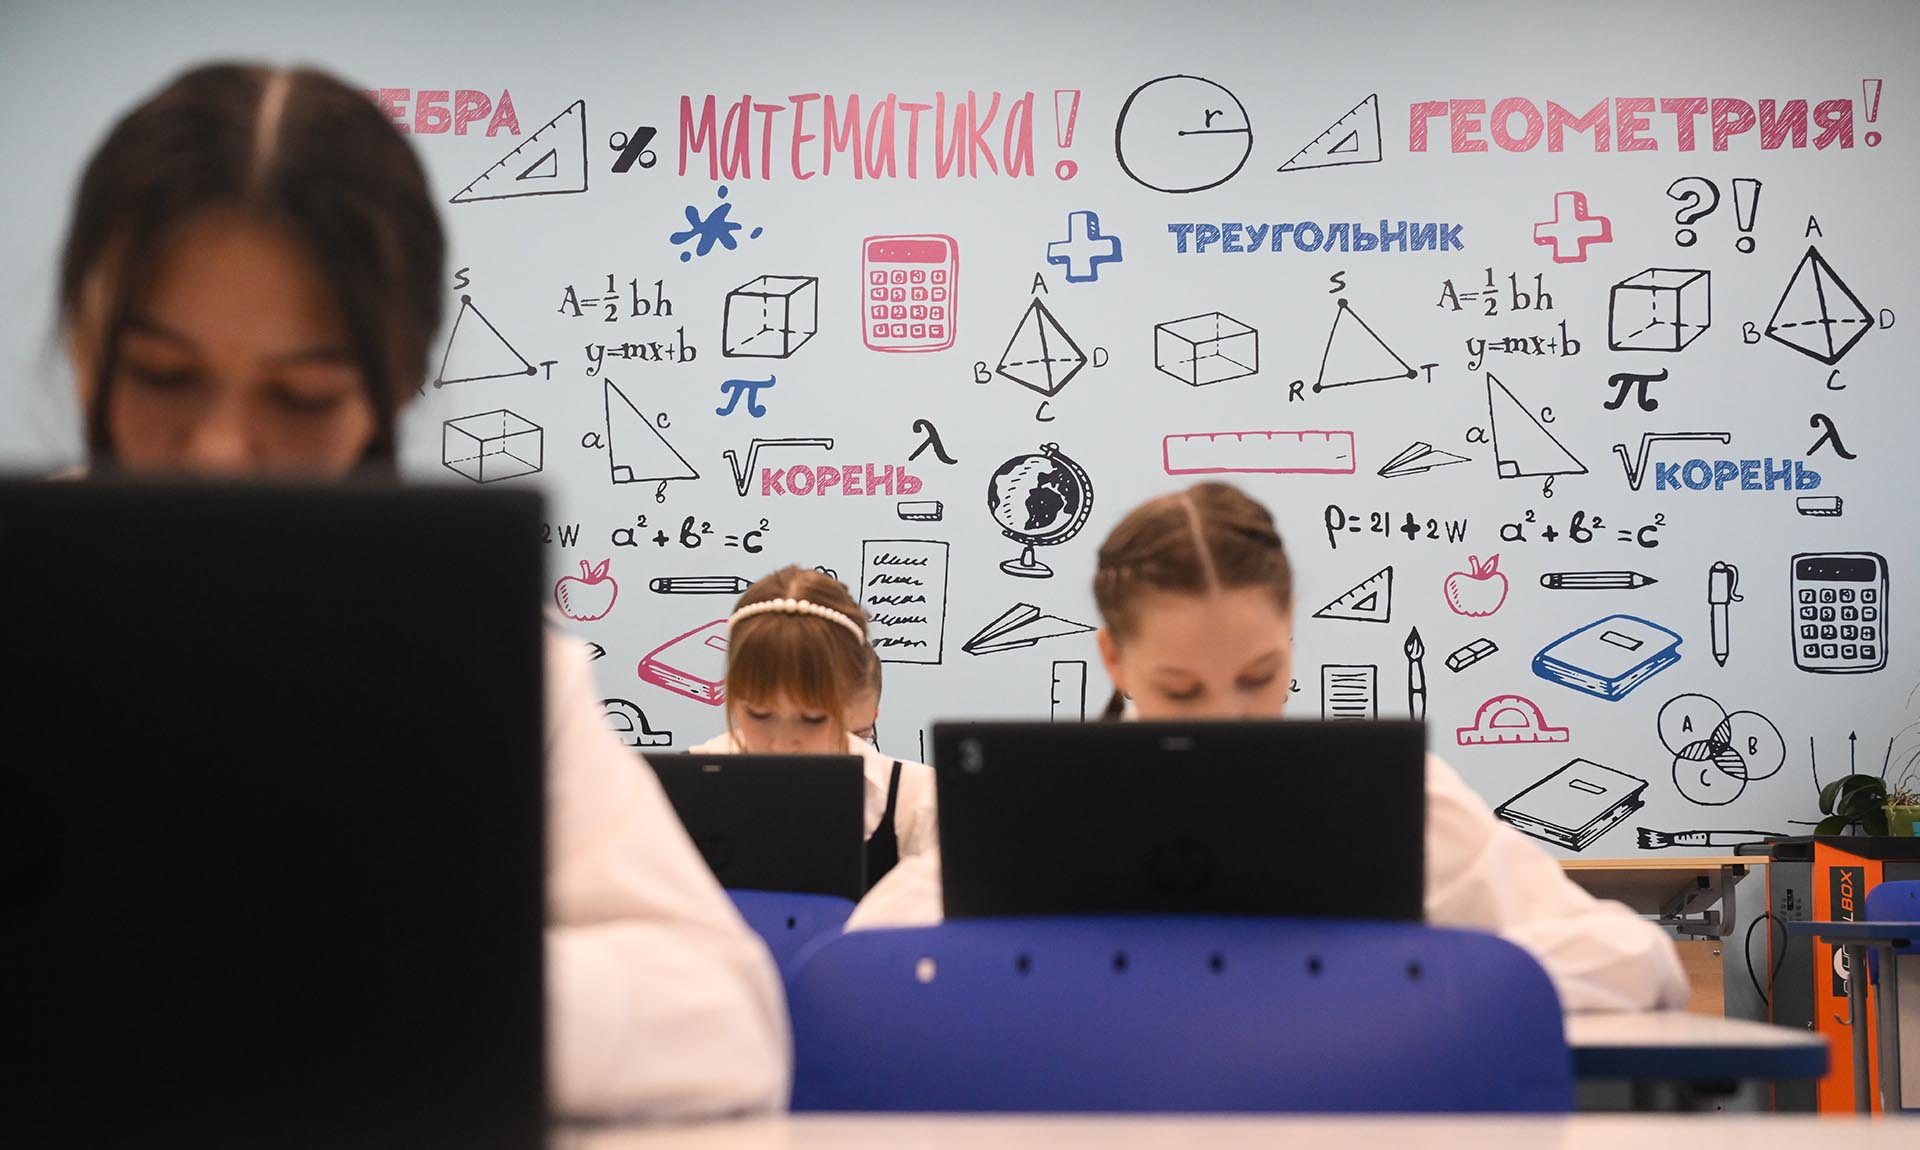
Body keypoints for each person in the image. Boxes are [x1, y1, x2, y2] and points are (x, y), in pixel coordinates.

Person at [56, 62, 788, 1117]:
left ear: (394, 386)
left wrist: (361, 975)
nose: (219, 451)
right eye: (162, 376)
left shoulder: (472, 655)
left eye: (302, 396)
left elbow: (725, 1022)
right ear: (85, 345)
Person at [849, 482, 1690, 1013]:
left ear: (1290, 637)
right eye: (1182, 690)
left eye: (1260, 676)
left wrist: (1397, 976)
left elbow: (1641, 963)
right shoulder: (1044, 808)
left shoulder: (1386, 802)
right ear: (1115, 660)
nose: (1229, 719)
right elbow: (864, 964)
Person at [690, 567, 936, 890]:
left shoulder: (916, 800)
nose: (782, 744)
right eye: (759, 715)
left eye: (812, 719)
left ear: (852, 704)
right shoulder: (671, 793)